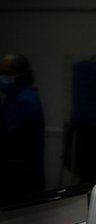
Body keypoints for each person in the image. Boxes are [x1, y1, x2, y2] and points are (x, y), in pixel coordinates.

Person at [0, 54, 45, 196]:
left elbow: (9, 139)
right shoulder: (15, 97)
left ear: (21, 74)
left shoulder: (24, 100)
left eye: (6, 73)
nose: (2, 77)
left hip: (21, 178)